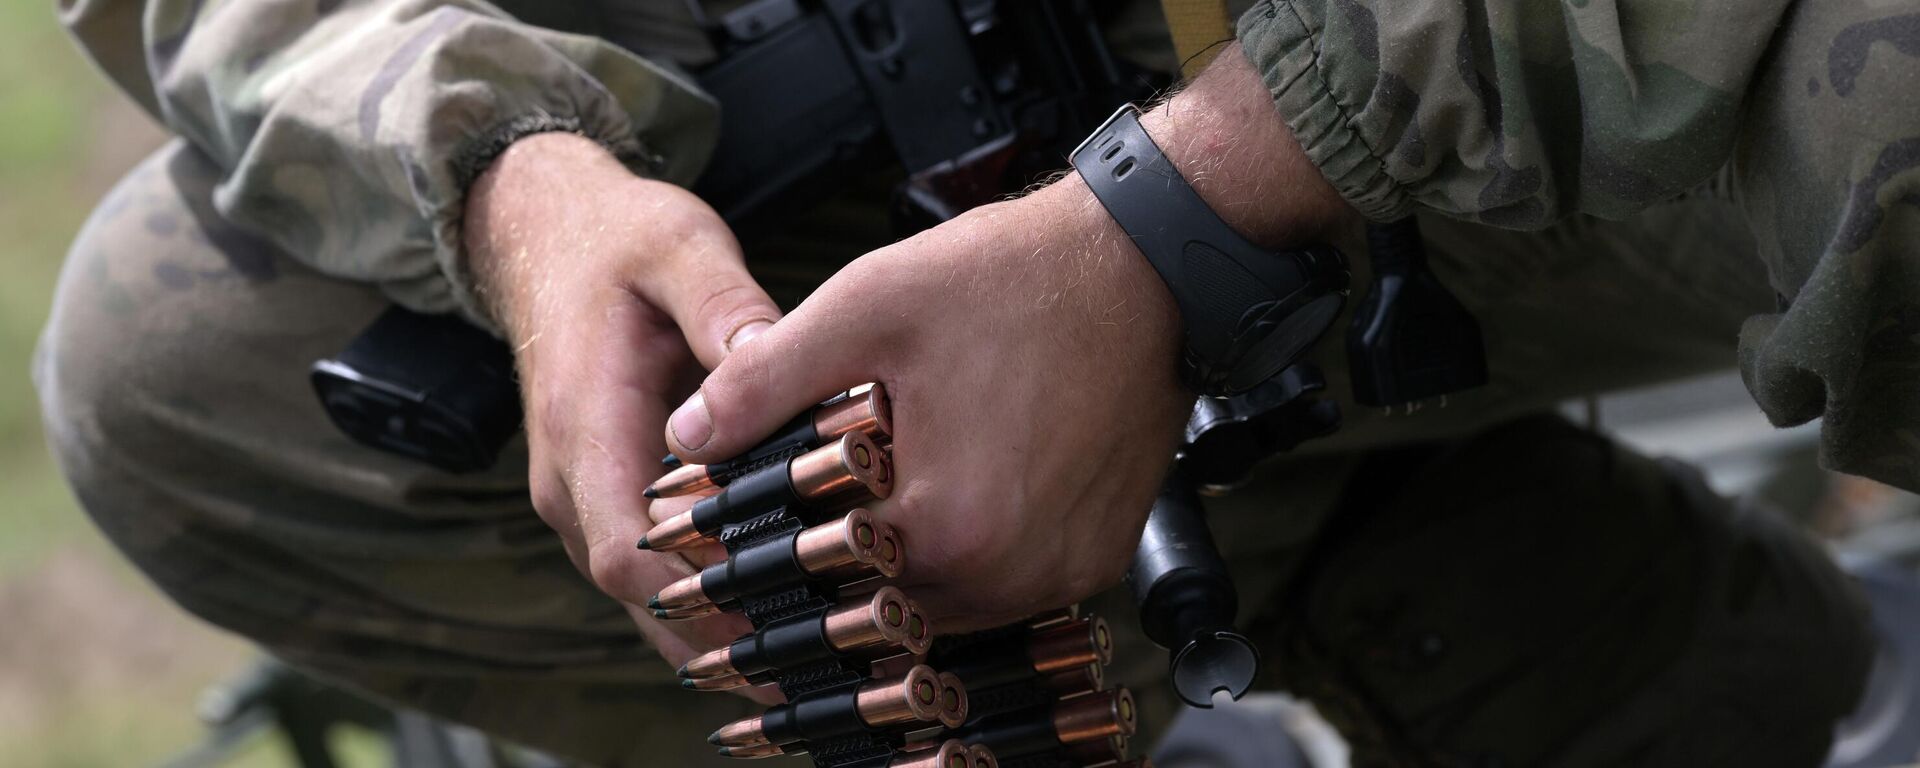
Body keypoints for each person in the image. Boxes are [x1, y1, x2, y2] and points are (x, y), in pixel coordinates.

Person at [36, 0, 1909, 764]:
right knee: (188, 355)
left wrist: (1176, 221)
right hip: (1034, 96)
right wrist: (512, 175)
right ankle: (1570, 649)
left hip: (1593, 73)